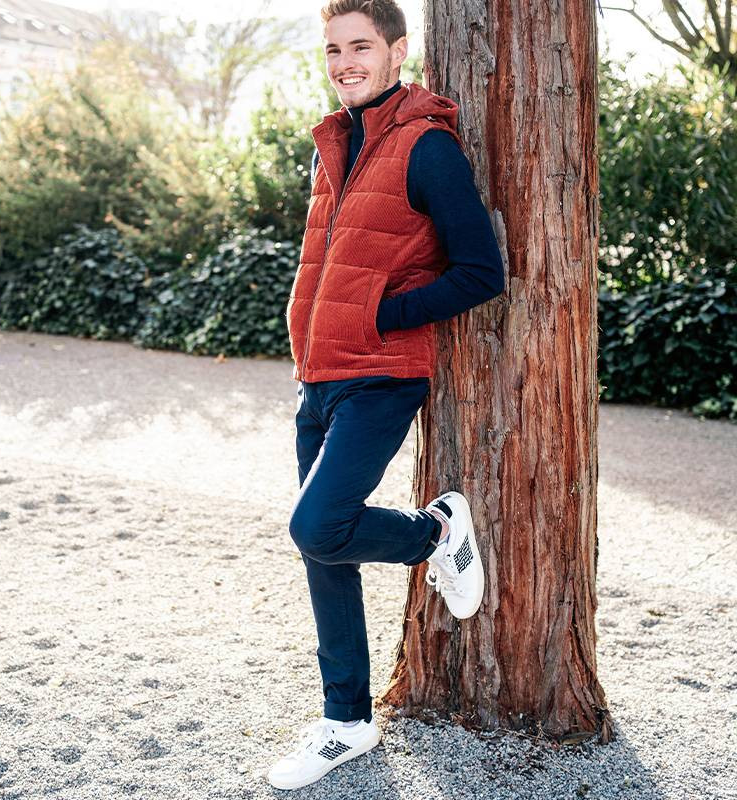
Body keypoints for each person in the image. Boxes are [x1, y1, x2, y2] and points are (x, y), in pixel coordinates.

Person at [267, 0, 505, 790]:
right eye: (333, 49)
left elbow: (480, 272)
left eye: (360, 46)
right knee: (320, 552)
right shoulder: (331, 143)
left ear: (398, 51)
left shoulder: (427, 146)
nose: (344, 62)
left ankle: (435, 533)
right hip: (319, 377)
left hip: (381, 376)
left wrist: (382, 312)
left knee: (317, 523)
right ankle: (346, 721)